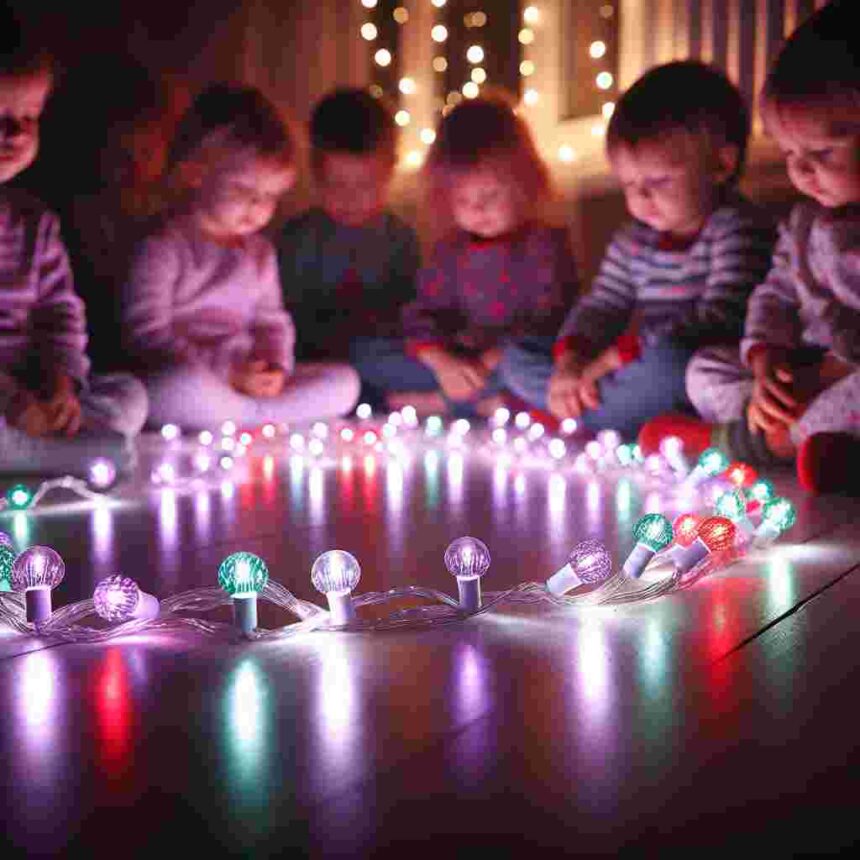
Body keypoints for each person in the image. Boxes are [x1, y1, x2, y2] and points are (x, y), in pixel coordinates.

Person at [639, 2, 860, 494]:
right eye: (789, 153)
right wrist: (766, 363)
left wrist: (826, 375)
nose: (800, 170)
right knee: (705, 369)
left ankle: (742, 442)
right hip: (802, 369)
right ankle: (788, 434)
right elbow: (775, 295)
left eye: (822, 152)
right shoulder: (803, 224)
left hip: (843, 375)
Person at [504, 61, 774, 439]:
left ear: (720, 164)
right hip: (627, 364)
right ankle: (583, 403)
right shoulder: (632, 240)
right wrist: (572, 360)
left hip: (680, 363)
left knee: (675, 363)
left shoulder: (737, 228)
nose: (641, 197)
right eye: (629, 184)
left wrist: (609, 361)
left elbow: (718, 318)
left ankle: (577, 411)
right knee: (517, 356)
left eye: (658, 181)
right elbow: (602, 305)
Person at [122, 83, 360, 429]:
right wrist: (228, 372)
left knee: (345, 383)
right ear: (195, 173)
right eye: (244, 189)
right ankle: (253, 415)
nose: (259, 206)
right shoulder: (163, 246)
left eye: (270, 195)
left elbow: (272, 322)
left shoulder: (260, 253)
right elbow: (147, 334)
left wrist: (276, 366)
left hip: (247, 381)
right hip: (196, 378)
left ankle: (248, 413)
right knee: (171, 390)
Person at [0, 32, 147, 476]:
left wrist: (60, 383)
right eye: (0, 115)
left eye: (29, 116)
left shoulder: (35, 221)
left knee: (130, 393)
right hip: (8, 400)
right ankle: (43, 453)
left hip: (34, 386)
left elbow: (59, 313)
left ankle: (51, 441)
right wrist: (11, 399)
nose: (17, 132)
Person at [387, 91, 577, 417]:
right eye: (463, 200)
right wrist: (441, 360)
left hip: (511, 359)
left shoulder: (544, 245)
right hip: (462, 358)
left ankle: (455, 404)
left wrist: (487, 360)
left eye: (489, 195)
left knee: (527, 365)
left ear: (524, 185)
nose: (477, 210)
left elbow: (548, 321)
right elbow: (423, 313)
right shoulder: (450, 251)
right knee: (373, 352)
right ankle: (475, 399)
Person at [277, 88, 419, 404]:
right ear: (316, 173)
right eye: (337, 185)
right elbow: (284, 320)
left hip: (378, 362)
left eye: (365, 185)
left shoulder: (400, 240)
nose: (351, 198)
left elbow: (410, 315)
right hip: (315, 364)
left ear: (390, 170)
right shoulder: (298, 239)